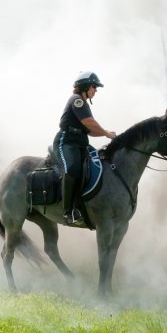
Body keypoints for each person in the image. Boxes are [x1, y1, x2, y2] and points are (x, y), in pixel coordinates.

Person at [53, 71, 116, 224]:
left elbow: (91, 130)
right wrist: (106, 133)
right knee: (73, 168)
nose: (96, 90)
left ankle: (83, 204)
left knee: (97, 162)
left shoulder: (84, 103)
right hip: (65, 142)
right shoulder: (77, 101)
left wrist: (106, 134)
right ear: (85, 86)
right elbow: (89, 122)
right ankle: (67, 212)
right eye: (94, 86)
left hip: (80, 142)